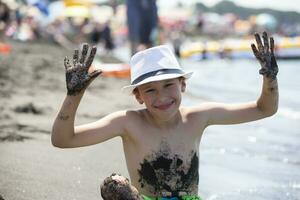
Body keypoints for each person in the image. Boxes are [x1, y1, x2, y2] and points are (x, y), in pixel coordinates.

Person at [51, 32, 279, 200]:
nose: (162, 97)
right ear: (138, 96)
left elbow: (264, 109)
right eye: (150, 89)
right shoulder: (128, 122)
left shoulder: (199, 117)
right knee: (113, 186)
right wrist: (74, 94)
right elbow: (63, 140)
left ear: (183, 85)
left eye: (169, 85)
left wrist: (269, 77)